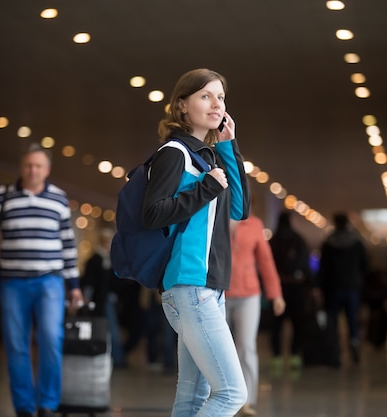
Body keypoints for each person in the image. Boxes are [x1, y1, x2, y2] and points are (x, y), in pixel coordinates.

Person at [142, 68, 251, 417]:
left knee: (192, 397)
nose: (216, 103)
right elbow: (153, 213)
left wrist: (229, 147)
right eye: (206, 95)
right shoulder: (175, 153)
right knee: (232, 393)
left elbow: (240, 208)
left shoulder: (208, 157)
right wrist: (206, 187)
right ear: (182, 106)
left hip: (208, 288)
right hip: (191, 285)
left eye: (220, 96)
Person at [0, 143, 83, 417]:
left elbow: (68, 245)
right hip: (13, 282)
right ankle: (23, 407)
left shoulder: (58, 198)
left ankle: (48, 404)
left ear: (47, 170)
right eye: (29, 165)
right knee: (16, 344)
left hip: (50, 282)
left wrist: (74, 287)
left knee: (51, 339)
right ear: (22, 168)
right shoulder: (3, 195)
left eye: (38, 166)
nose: (33, 170)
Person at [226, 216, 286, 416]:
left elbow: (265, 260)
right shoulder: (213, 217)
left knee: (247, 346)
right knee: (219, 349)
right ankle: (222, 396)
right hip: (218, 292)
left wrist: (275, 294)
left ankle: (247, 401)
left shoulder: (254, 224)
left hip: (249, 294)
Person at [317, 212, 369, 366]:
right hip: (352, 287)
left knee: (333, 320)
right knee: (352, 319)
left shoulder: (328, 243)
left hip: (333, 288)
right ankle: (354, 343)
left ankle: (335, 351)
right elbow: (365, 265)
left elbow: (323, 269)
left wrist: (320, 287)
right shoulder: (356, 243)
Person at [268, 211, 313, 372]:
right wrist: (312, 285)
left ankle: (277, 356)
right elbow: (306, 266)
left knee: (276, 325)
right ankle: (294, 354)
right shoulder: (299, 240)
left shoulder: (273, 241)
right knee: (297, 324)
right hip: (297, 288)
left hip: (278, 287)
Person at [81, 228, 126, 368]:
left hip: (107, 299)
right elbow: (88, 281)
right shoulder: (95, 259)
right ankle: (113, 359)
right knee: (105, 329)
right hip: (98, 300)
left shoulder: (110, 259)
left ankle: (115, 358)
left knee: (110, 330)